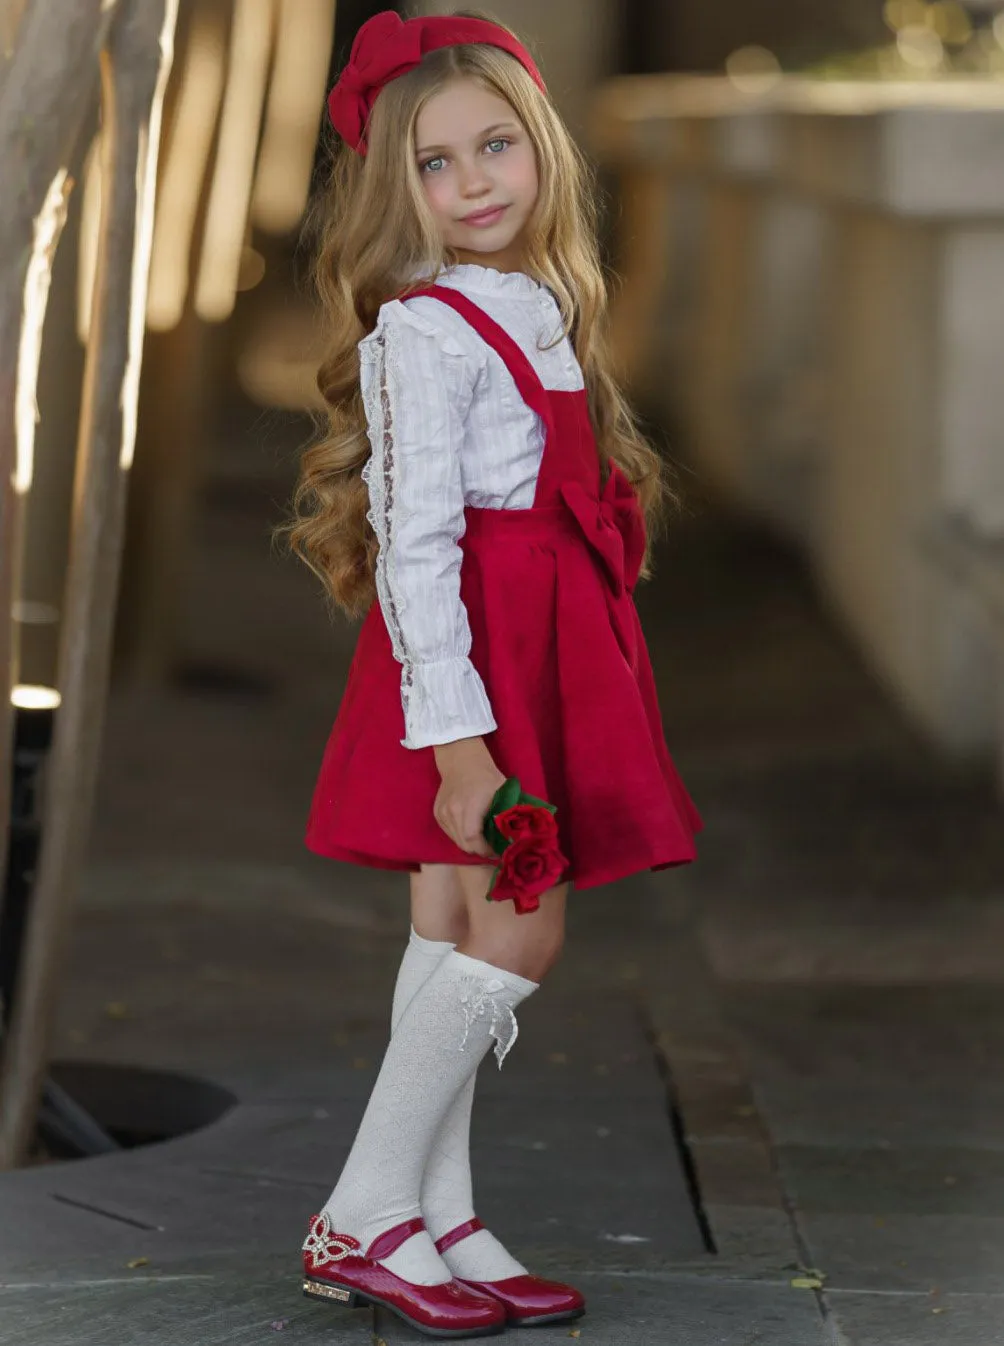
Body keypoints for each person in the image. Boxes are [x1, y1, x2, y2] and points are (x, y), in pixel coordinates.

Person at [287, 9, 703, 1338]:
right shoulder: (422, 328)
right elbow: (417, 548)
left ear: (543, 152)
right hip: (471, 671)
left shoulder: (537, 300)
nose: (473, 183)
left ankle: (439, 1215)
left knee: (452, 925)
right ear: (391, 190)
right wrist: (462, 748)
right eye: (434, 164)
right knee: (523, 922)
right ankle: (362, 1209)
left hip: (545, 645)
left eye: (496, 147)